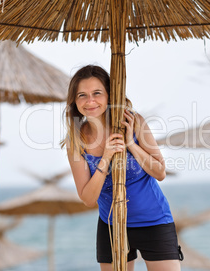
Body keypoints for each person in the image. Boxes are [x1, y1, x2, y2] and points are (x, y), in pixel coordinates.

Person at [61, 65, 183, 271]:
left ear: (110, 94)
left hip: (154, 221)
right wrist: (105, 158)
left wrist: (131, 145)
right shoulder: (77, 141)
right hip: (111, 226)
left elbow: (160, 172)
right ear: (74, 100)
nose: (90, 101)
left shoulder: (133, 122)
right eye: (82, 95)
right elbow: (88, 198)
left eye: (97, 93)